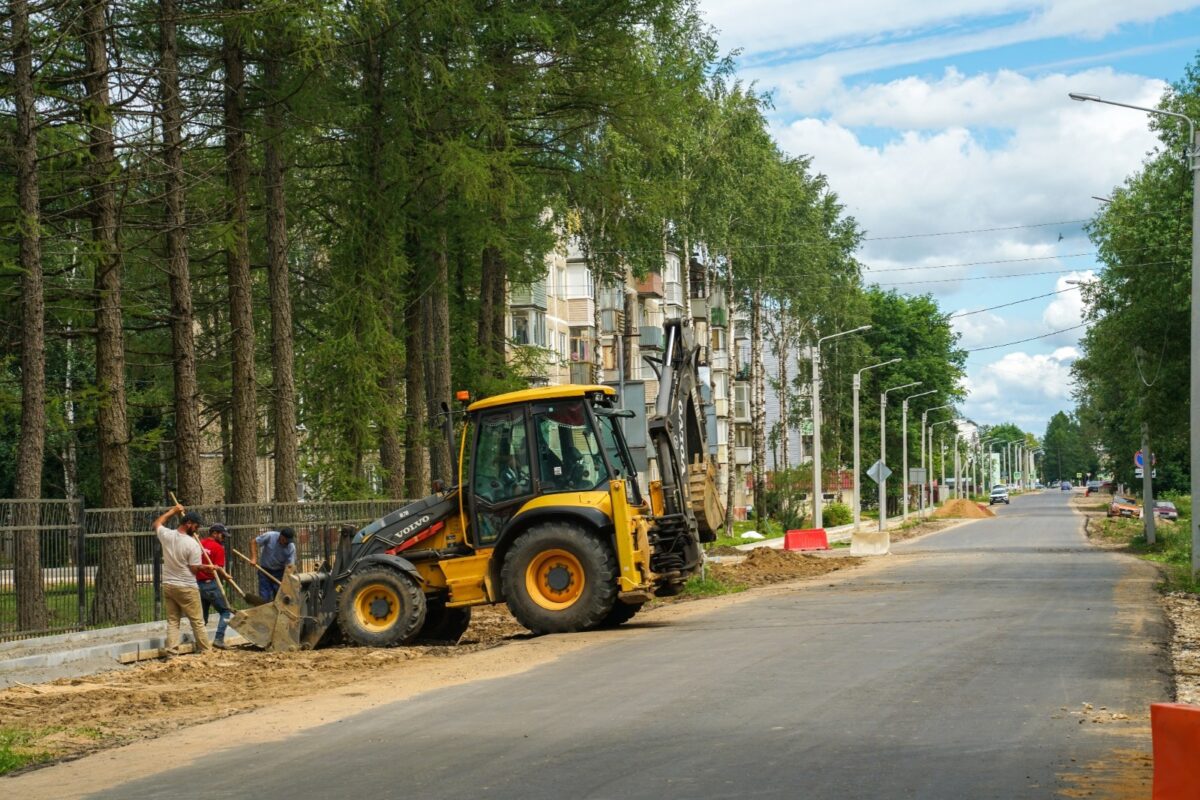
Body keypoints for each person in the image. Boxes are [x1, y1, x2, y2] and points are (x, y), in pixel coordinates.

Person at [151, 503, 211, 657]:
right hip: (187, 587)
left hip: (169, 585)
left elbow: (157, 523)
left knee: (173, 620)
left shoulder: (167, 535)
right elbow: (193, 569)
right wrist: (207, 568)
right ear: (188, 523)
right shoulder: (192, 545)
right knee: (197, 621)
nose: (196, 530)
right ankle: (206, 650)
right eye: (195, 526)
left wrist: (172, 511)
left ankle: (172, 651)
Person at [196, 523, 232, 649]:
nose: (224, 538)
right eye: (223, 535)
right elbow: (218, 569)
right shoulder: (218, 548)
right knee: (225, 611)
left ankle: (200, 644)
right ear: (215, 533)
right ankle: (219, 639)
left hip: (197, 585)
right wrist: (226, 576)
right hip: (210, 584)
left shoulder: (199, 544)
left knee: (202, 617)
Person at [250, 527, 296, 601]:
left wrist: (287, 579)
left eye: (288, 541)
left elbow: (290, 566)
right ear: (281, 536)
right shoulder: (270, 536)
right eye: (285, 540)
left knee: (279, 598)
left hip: (279, 573)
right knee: (264, 597)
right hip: (264, 571)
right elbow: (254, 542)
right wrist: (254, 558)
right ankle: (264, 611)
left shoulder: (291, 547)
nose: (286, 542)